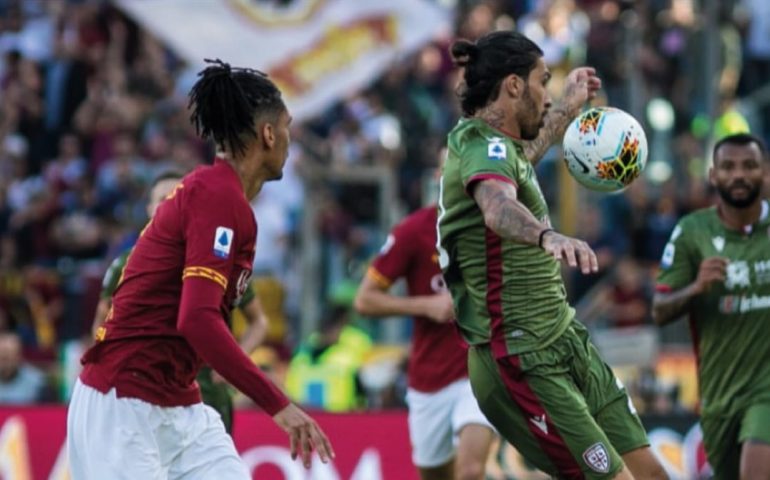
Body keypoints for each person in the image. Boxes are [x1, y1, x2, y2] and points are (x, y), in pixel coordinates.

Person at [67, 59, 334, 479]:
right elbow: (196, 318)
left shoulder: (224, 199)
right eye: (287, 126)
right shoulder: (216, 196)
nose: (289, 137)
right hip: (123, 402)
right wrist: (279, 405)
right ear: (268, 133)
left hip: (179, 402)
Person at [437, 31, 667, 479]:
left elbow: (526, 155)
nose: (547, 94)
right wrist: (546, 236)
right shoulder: (481, 146)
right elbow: (497, 207)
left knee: (652, 473)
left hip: (563, 336)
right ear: (514, 86)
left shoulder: (500, 148)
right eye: (544, 81)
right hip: (520, 356)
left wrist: (567, 107)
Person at [91, 169, 270, 434]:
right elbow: (100, 323)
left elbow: (260, 322)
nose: (168, 203)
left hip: (208, 392)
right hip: (146, 389)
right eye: (161, 198)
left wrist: (232, 365)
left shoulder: (220, 259)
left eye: (175, 197)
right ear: (150, 208)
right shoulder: (126, 264)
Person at [653, 133, 770, 480]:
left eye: (749, 166)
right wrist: (696, 288)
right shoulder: (692, 232)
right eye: (729, 167)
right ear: (712, 175)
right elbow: (659, 311)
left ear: (765, 172)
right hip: (719, 395)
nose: (739, 175)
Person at [354, 200, 496, 480]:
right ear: (440, 177)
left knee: (470, 470)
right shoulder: (414, 231)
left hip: (480, 368)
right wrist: (426, 306)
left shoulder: (497, 224)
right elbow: (364, 300)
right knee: (434, 473)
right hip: (430, 378)